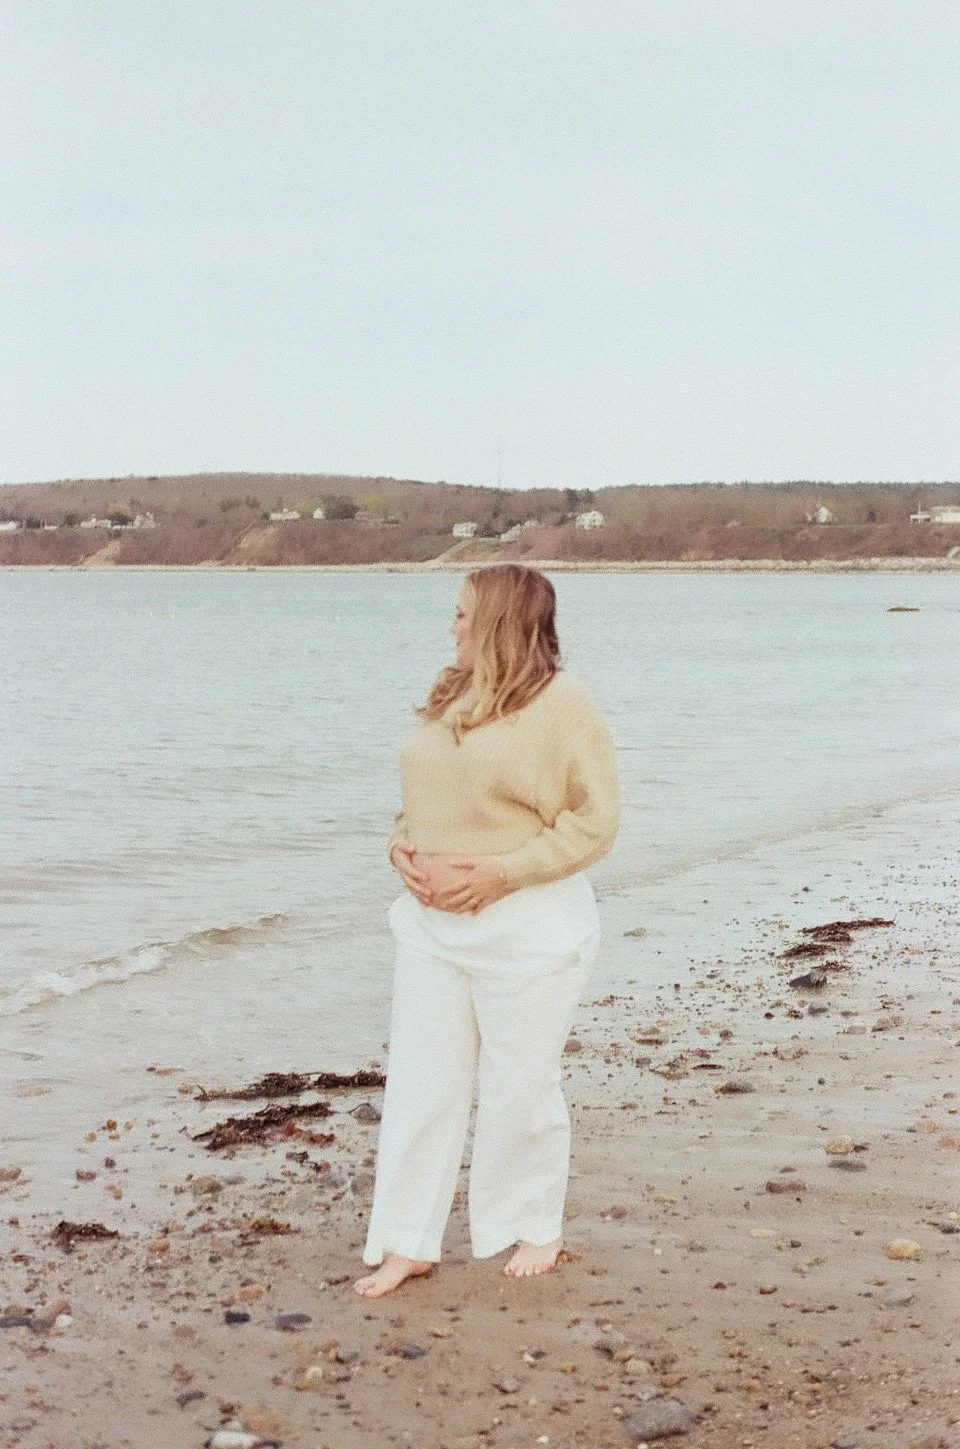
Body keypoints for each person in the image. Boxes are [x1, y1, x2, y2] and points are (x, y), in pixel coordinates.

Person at [354, 563, 619, 1298]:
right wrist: (401, 846)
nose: (453, 625)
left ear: (502, 621)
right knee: (419, 1084)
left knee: (519, 1084)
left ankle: (534, 1224)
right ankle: (408, 1242)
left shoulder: (565, 704)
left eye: (465, 614)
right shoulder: (452, 693)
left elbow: (595, 823)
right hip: (431, 926)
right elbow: (421, 797)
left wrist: (502, 872)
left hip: (529, 927)